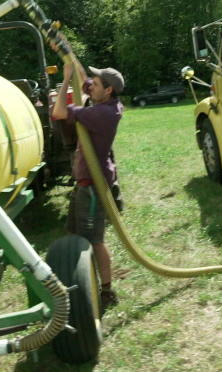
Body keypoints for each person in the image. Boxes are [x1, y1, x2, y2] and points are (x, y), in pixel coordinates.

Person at [51, 58, 125, 309]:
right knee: (74, 234)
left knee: (94, 240)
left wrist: (64, 80)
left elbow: (58, 112)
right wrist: (68, 56)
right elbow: (83, 78)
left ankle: (105, 291)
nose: (90, 84)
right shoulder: (103, 102)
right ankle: (80, 280)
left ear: (108, 90)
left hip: (93, 186)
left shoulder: (102, 113)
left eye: (97, 82)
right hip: (85, 183)